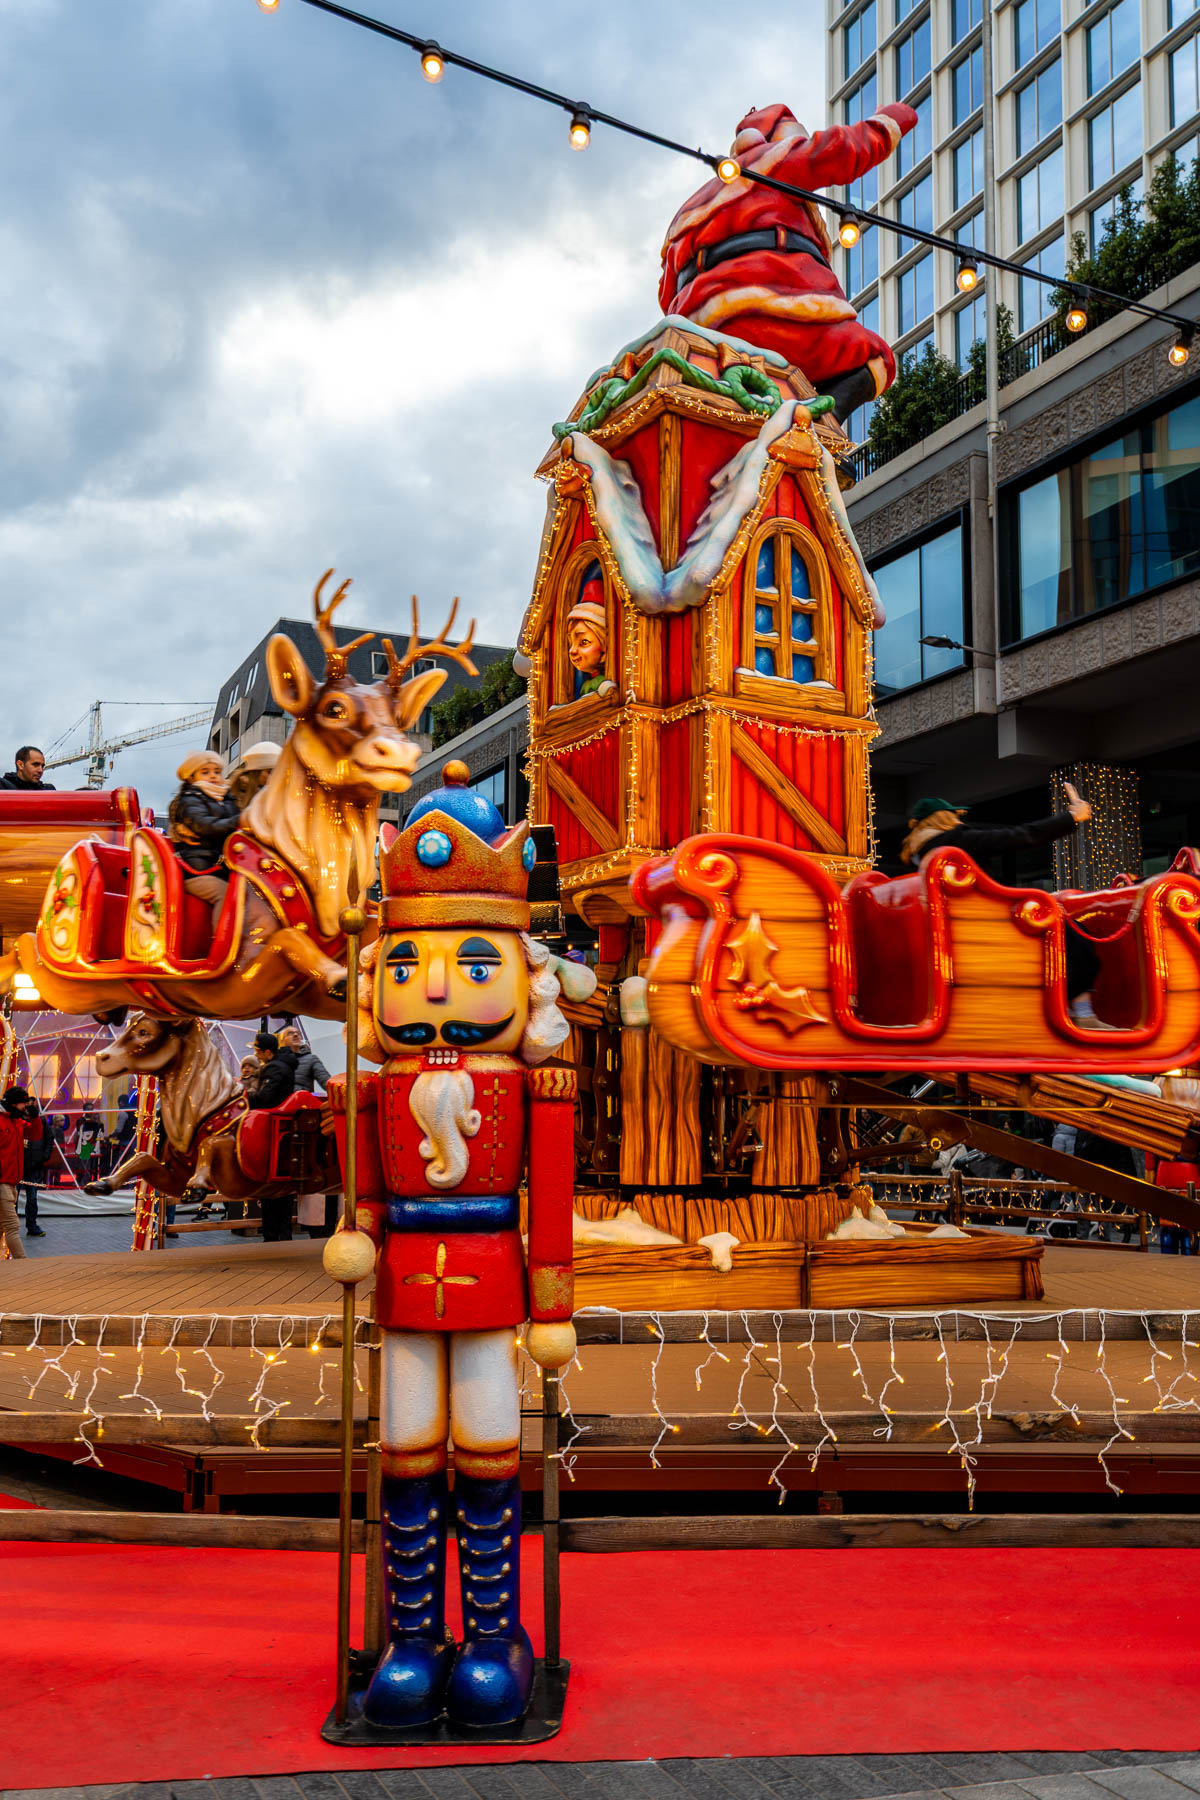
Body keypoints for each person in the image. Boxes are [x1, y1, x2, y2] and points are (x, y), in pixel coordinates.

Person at [659, 101, 920, 422]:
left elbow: (665, 294)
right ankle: (821, 425)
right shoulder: (774, 162)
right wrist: (894, 118)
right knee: (876, 357)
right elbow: (843, 149)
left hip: (697, 334)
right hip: (771, 313)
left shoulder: (686, 210)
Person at [898, 783, 1106, 1027]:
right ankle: (1081, 1012)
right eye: (955, 815)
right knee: (1076, 936)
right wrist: (1070, 817)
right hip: (990, 925)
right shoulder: (956, 841)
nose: (959, 820)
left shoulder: (915, 857)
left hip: (954, 930)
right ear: (944, 818)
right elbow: (1020, 835)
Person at [168, 751, 241, 926]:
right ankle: (221, 942)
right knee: (223, 894)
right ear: (192, 778)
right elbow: (205, 826)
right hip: (198, 868)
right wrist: (241, 820)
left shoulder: (228, 798)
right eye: (205, 772)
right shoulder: (190, 800)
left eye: (216, 772)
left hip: (223, 866)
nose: (213, 776)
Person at [247, 1032, 298, 1241]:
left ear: (268, 1052)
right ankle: (280, 1236)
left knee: (272, 1189)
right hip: (280, 1130)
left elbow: (265, 1098)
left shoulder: (275, 1068)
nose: (257, 1055)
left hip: (273, 1129)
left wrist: (247, 1095)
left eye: (259, 1052)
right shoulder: (279, 1065)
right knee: (280, 1193)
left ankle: (273, 1236)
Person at [1, 1086, 44, 1259]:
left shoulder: (16, 1121)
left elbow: (35, 1134)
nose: (25, 1108)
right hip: (3, 1181)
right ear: (13, 1104)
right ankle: (23, 1263)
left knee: (1, 1226)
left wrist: (35, 1117)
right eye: (23, 1104)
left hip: (12, 1181)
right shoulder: (3, 1121)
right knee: (12, 1226)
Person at [20, 1106, 51, 1238]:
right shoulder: (17, 1120)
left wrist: (45, 1155)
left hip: (34, 1165)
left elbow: (49, 1138)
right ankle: (9, 1227)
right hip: (18, 1165)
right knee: (11, 1199)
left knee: (32, 1198)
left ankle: (32, 1225)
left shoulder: (40, 1121)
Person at [227, 741, 281, 813]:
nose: (274, 776)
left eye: (278, 772)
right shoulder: (233, 797)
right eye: (269, 771)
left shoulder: (279, 794)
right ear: (256, 772)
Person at [278, 1024, 330, 1094]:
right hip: (281, 1102)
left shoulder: (311, 1059)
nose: (296, 1035)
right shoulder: (276, 1061)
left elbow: (326, 1082)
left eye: (298, 1033)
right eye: (290, 1033)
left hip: (302, 1102)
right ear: (282, 1041)